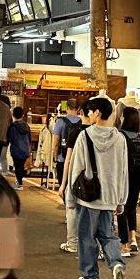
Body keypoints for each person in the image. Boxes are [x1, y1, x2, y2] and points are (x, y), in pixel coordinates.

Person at [65, 97, 128, 279]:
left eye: (91, 112)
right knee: (108, 235)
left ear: (98, 113)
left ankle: (90, 277)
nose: (89, 115)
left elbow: (76, 169)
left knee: (86, 237)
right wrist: (121, 200)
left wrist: (70, 198)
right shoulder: (120, 138)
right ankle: (116, 264)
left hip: (88, 197)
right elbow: (123, 171)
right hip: (110, 197)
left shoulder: (85, 136)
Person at [57, 102, 91, 255]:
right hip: (93, 178)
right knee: (92, 213)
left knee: (71, 210)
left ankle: (73, 243)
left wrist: (63, 184)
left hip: (75, 176)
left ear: (80, 111)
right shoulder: (98, 132)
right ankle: (95, 247)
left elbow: (68, 160)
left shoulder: (75, 132)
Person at [117, 107, 140, 258]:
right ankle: (133, 238)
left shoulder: (119, 135)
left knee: (122, 208)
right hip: (138, 176)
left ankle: (124, 244)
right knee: (132, 206)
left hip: (124, 175)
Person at [8, 106, 32, 190]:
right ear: (22, 115)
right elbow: (29, 138)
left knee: (17, 166)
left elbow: (10, 138)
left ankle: (20, 184)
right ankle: (19, 181)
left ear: (13, 115)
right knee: (21, 166)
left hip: (16, 149)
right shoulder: (26, 126)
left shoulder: (13, 127)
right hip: (25, 149)